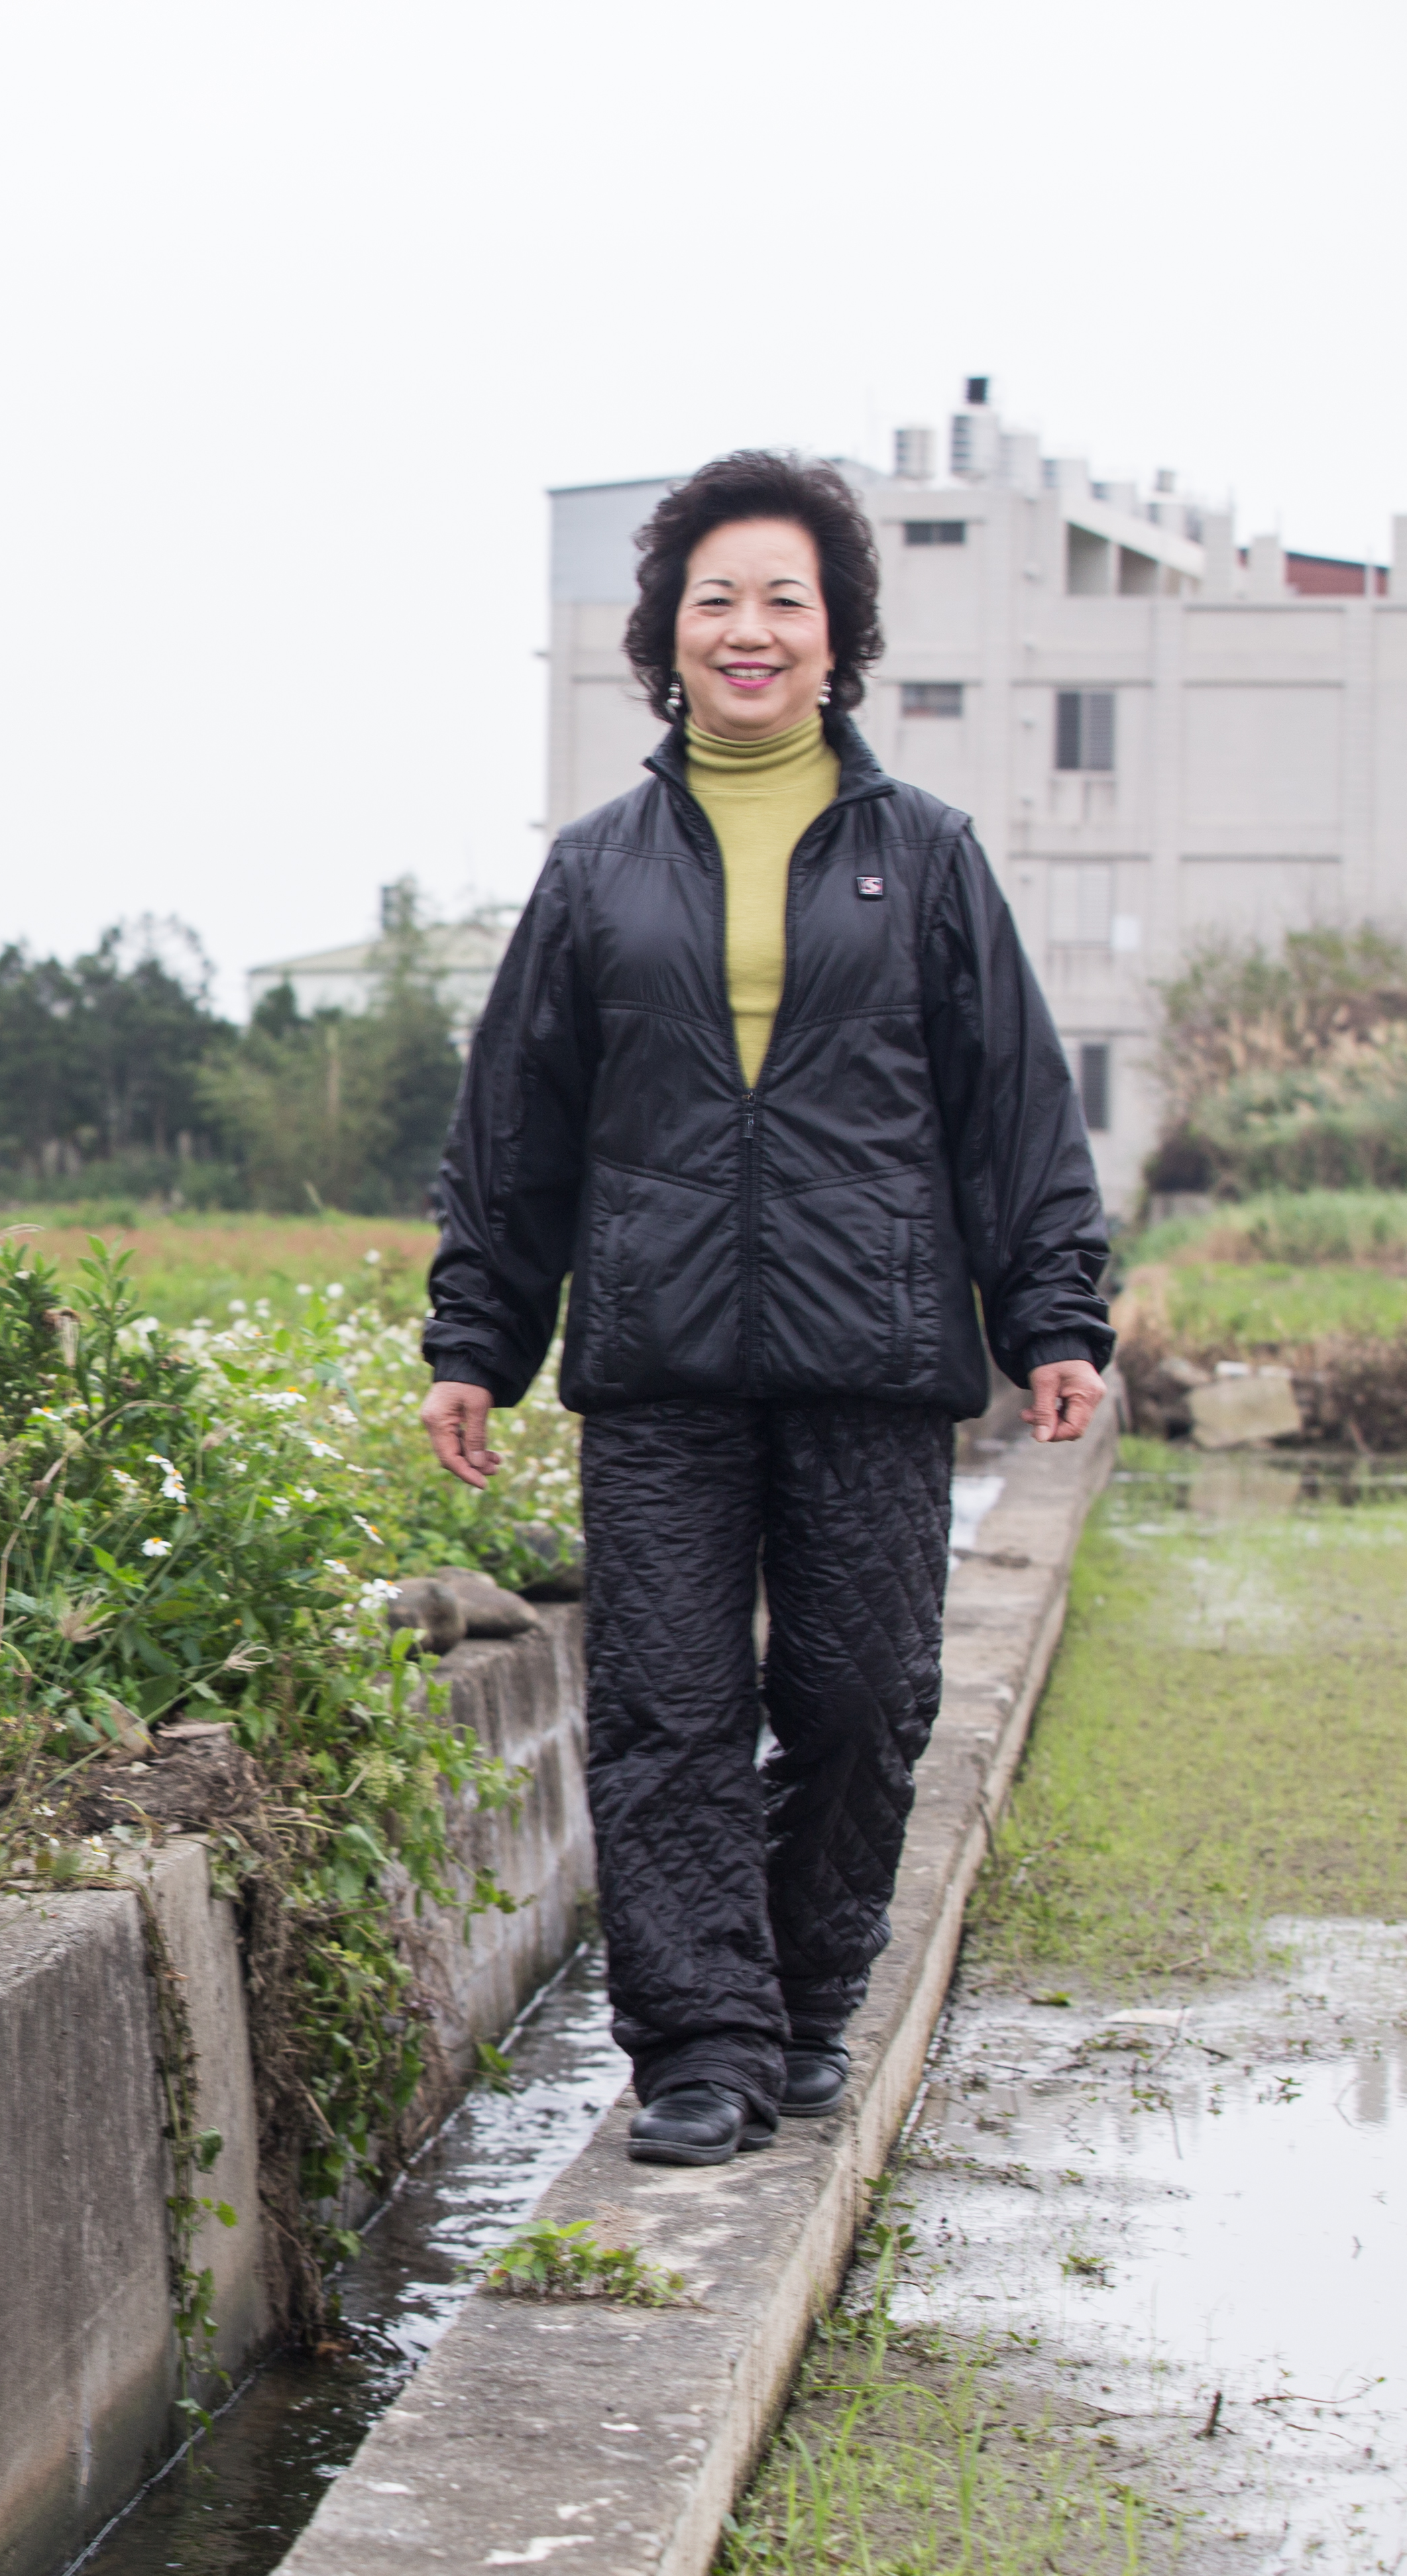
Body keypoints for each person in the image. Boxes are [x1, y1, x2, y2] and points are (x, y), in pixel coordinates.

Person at [418, 450, 1111, 2168]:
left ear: (835, 634)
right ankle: (703, 2048)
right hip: (660, 1362)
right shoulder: (597, 871)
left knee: (867, 1700)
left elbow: (1013, 1104)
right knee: (667, 1712)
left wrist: (1057, 1319)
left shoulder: (927, 859)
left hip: (871, 1354)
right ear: (666, 634)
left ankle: (807, 1990)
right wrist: (476, 1344)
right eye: (715, 599)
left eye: (782, 601)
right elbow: (519, 1124)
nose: (750, 630)